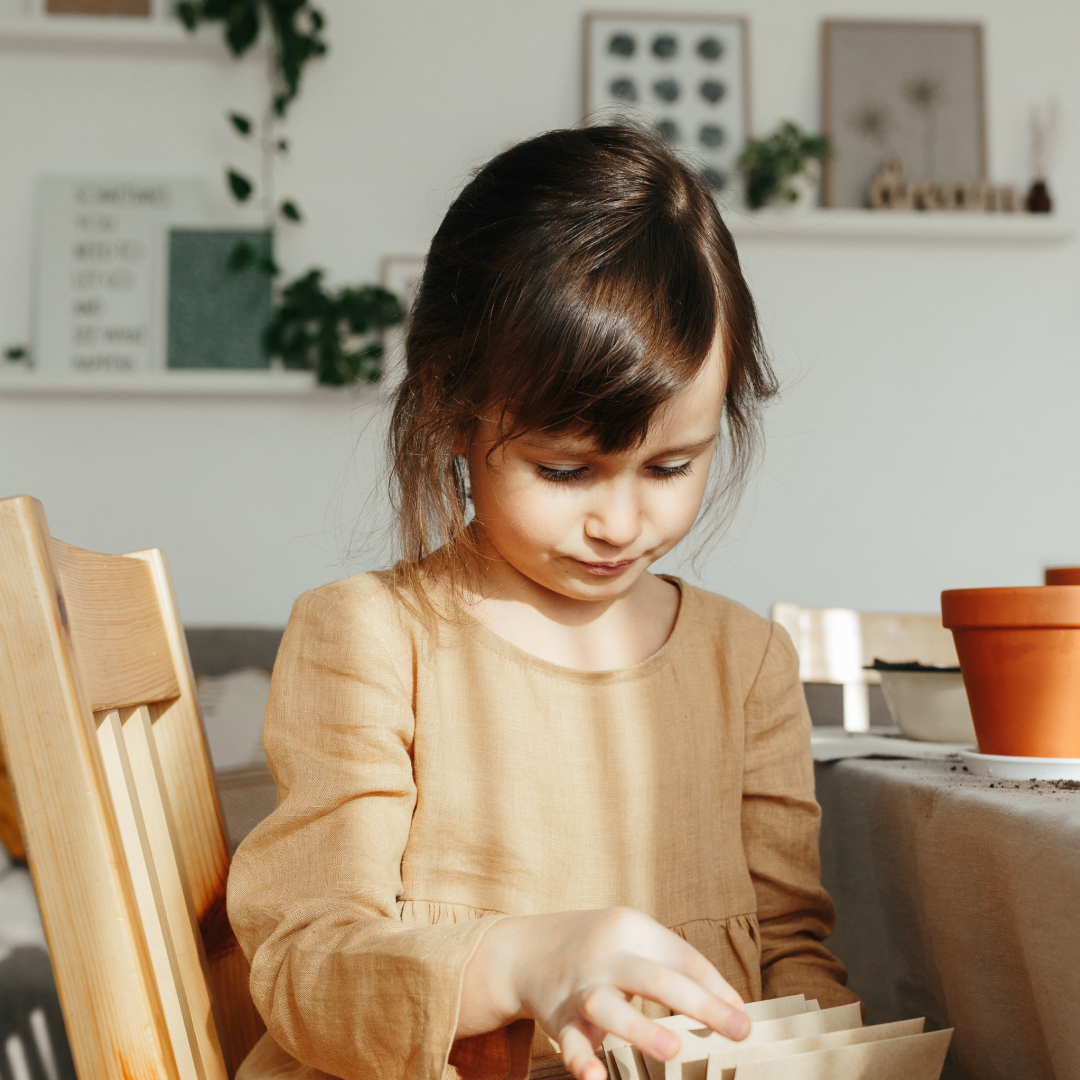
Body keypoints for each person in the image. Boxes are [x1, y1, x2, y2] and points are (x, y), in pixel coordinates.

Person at [227, 125, 858, 1080]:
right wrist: (523, 962)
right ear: (450, 411)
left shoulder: (748, 664)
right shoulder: (368, 638)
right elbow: (303, 968)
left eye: (671, 465)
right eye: (566, 469)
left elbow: (791, 955)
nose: (619, 519)